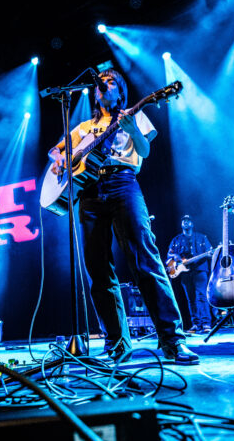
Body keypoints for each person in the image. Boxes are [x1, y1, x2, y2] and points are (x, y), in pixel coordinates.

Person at [49, 69, 198, 365]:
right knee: (98, 269)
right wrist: (60, 161)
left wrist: (130, 129)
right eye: (101, 83)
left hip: (123, 183)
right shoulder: (82, 127)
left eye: (112, 82)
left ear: (120, 91)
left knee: (146, 259)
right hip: (88, 192)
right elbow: (56, 150)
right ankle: (116, 345)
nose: (104, 85)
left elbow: (144, 151)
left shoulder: (134, 115)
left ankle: (172, 341)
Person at [167, 215, 213, 333]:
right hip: (184, 272)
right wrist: (176, 258)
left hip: (200, 270)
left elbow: (210, 252)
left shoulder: (202, 237)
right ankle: (196, 324)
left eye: (188, 221)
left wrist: (209, 254)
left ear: (192, 224)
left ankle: (206, 324)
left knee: (201, 296)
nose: (185, 222)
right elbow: (169, 255)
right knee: (191, 299)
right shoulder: (176, 240)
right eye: (183, 221)